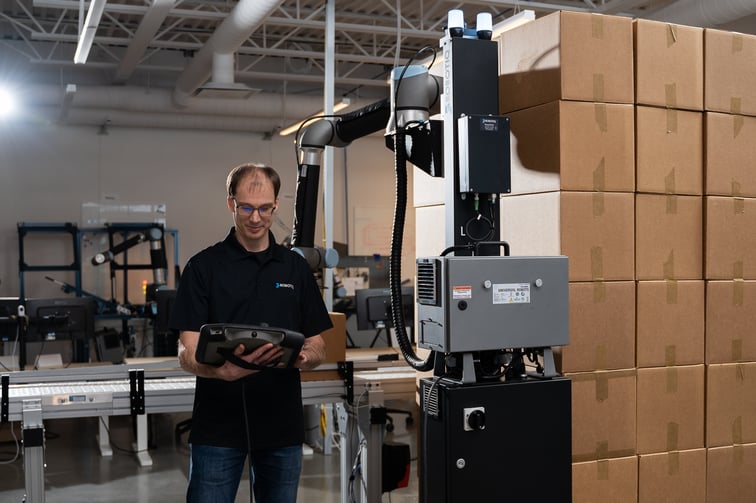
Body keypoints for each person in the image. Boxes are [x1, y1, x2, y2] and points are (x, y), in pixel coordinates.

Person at [170, 162, 333, 503]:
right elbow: (187, 351)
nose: (255, 218)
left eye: (264, 208)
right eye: (246, 207)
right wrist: (219, 371)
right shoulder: (203, 268)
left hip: (282, 426)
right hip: (217, 427)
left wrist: (303, 358)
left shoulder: (295, 269)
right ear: (231, 204)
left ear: (276, 206)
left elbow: (318, 344)